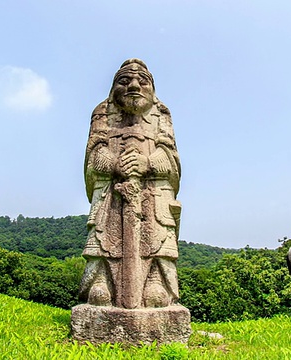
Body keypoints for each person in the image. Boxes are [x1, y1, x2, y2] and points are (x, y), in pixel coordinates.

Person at [79, 59, 182, 309]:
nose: (134, 86)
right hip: (113, 193)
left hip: (153, 194)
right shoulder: (102, 113)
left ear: (152, 90)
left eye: (142, 81)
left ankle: (156, 279)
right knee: (104, 235)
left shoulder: (162, 115)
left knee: (158, 235)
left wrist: (148, 163)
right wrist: (113, 164)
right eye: (124, 81)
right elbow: (93, 156)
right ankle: (102, 277)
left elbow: (172, 161)